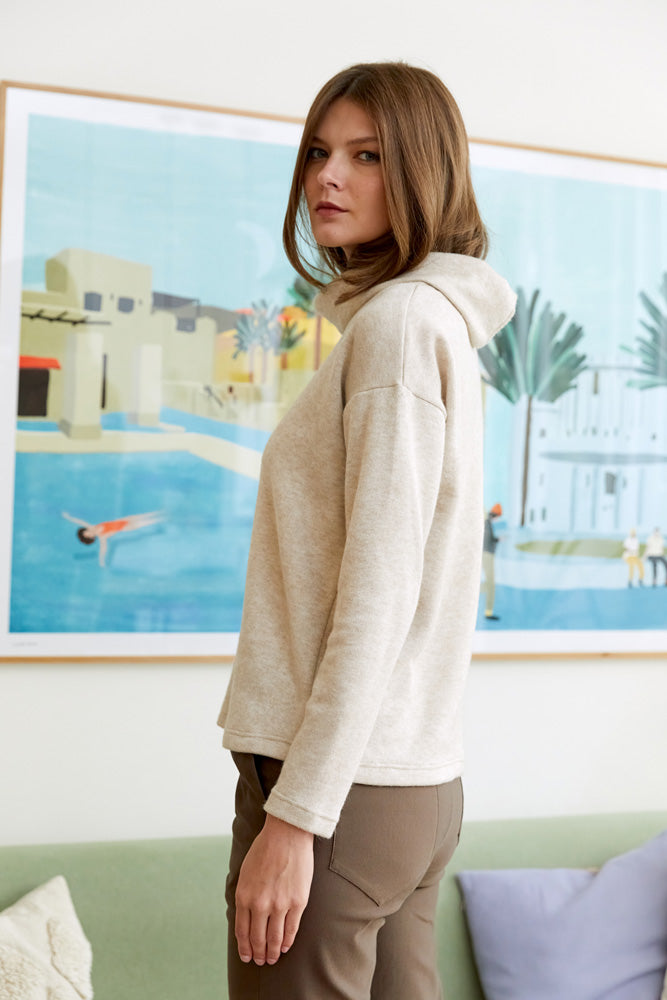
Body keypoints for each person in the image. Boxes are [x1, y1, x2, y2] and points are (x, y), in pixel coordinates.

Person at [217, 61, 516, 1000]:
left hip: (336, 797)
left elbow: (378, 595)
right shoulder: (432, 326)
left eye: (366, 155)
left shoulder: (396, 329)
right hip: (413, 791)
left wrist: (294, 819)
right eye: (318, 152)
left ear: (424, 171)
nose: (326, 177)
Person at [62, 510, 164, 567]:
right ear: (91, 538)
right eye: (88, 535)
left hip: (125, 519)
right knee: (150, 521)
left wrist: (68, 517)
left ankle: (163, 512)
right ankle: (163, 518)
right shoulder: (102, 536)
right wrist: (101, 561)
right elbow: (103, 549)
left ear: (86, 529)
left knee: (150, 514)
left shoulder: (91, 526)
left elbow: (79, 521)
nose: (89, 532)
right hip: (127, 526)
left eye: (86, 531)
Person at [482, 502, 503, 621]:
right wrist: (497, 540)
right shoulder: (486, 523)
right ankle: (488, 612)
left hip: (486, 554)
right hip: (487, 555)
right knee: (490, 585)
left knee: (489, 584)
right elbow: (487, 540)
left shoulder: (487, 523)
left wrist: (496, 540)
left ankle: (488, 611)